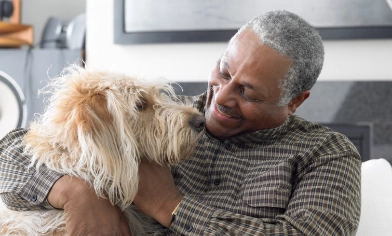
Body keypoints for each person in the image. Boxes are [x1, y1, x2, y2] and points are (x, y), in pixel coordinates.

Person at [0, 10, 361, 235]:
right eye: (223, 71)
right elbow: (16, 149)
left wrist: (170, 206)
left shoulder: (325, 154)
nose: (220, 98)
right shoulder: (162, 117)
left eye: (248, 93)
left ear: (295, 100)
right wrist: (76, 192)